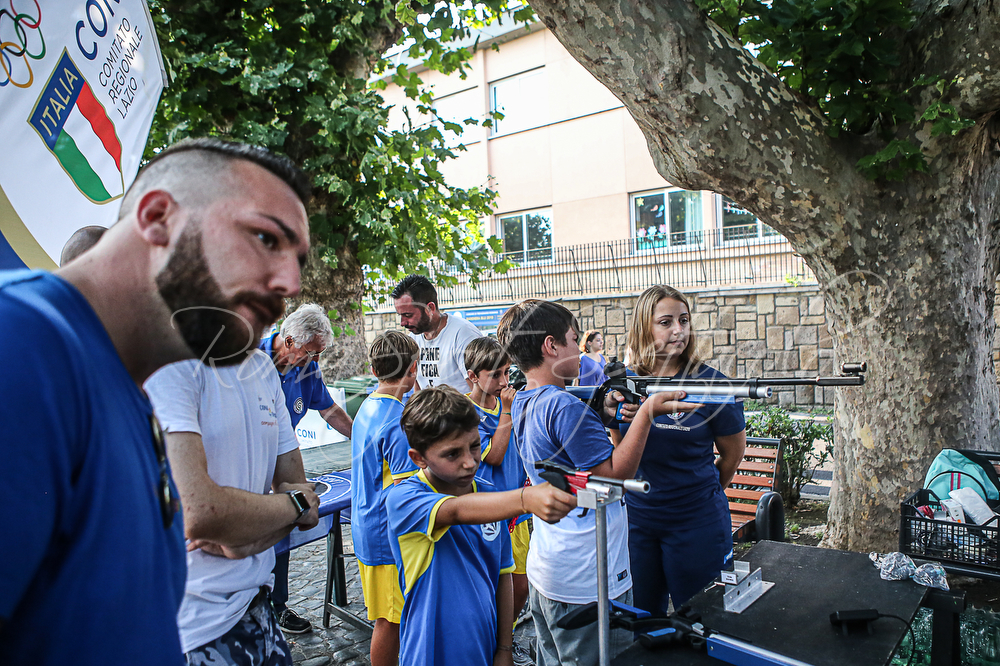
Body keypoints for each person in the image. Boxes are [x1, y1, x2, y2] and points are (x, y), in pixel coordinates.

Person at [0, 137, 311, 666]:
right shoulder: (23, 344)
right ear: (158, 215)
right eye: (264, 237)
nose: (290, 283)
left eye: (298, 259)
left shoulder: (126, 388)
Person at [496, 299, 700, 666]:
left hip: (550, 571)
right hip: (588, 579)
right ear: (551, 346)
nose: (580, 348)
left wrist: (600, 409)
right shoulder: (564, 407)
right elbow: (612, 477)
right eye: (573, 340)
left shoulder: (526, 399)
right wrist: (648, 413)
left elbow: (563, 445)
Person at [145, 350, 321, 665]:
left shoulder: (261, 365)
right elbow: (200, 514)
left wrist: (241, 539)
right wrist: (290, 507)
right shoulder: (174, 362)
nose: (286, 297)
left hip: (259, 607)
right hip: (196, 624)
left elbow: (304, 498)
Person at [387, 386, 577, 666]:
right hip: (432, 650)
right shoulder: (405, 498)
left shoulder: (490, 496)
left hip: (486, 646)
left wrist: (504, 648)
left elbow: (503, 576)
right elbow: (454, 511)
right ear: (419, 458)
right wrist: (526, 498)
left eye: (475, 446)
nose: (469, 462)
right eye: (452, 454)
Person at [618, 285, 747, 613]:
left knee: (704, 618)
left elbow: (732, 455)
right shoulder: (624, 386)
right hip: (637, 522)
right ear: (644, 327)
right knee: (643, 621)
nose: (679, 330)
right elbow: (617, 452)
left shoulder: (712, 384)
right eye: (666, 322)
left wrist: (699, 495)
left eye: (684, 320)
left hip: (697, 521)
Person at [261, 302, 353, 633]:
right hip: (250, 461)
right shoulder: (250, 360)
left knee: (286, 522)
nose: (314, 360)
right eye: (309, 352)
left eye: (318, 354)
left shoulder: (307, 369)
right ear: (288, 341)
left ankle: (278, 605)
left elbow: (329, 410)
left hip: (284, 459)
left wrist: (363, 438)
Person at [351, 331, 421, 666]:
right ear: (412, 369)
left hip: (367, 524)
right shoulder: (396, 420)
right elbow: (410, 491)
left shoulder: (368, 404)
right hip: (386, 535)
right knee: (390, 621)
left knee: (388, 617)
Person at [464, 337, 532, 666]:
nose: (504, 382)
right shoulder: (467, 411)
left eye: (507, 373)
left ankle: (507, 635)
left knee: (520, 587)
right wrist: (507, 409)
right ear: (473, 377)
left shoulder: (509, 401)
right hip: (488, 513)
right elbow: (494, 455)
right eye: (496, 375)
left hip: (516, 509)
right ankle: (492, 642)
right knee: (493, 585)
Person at [391, 274, 483, 391]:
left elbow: (480, 393)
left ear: (430, 308)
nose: (402, 323)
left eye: (408, 315)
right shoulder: (414, 338)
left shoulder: (463, 334)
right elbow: (417, 389)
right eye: (400, 315)